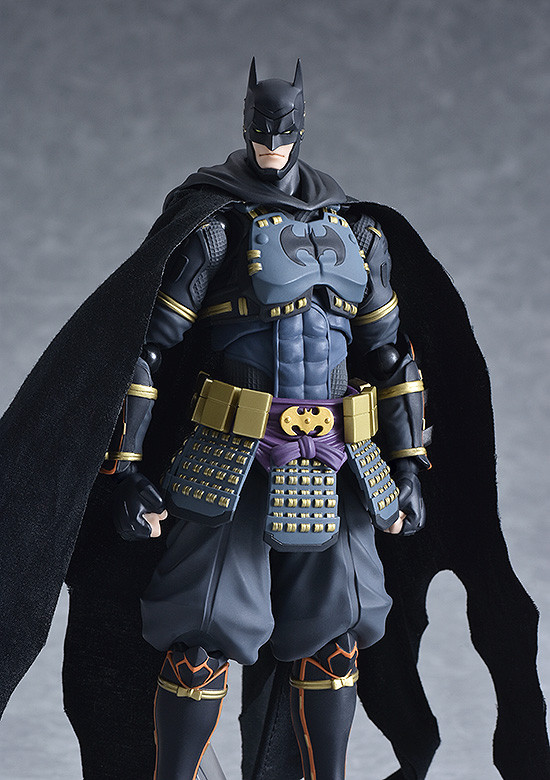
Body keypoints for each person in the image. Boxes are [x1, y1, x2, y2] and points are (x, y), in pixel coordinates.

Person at [103, 59, 429, 780]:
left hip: (339, 460)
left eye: (282, 132)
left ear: (301, 128)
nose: (271, 145)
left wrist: (408, 465)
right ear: (246, 126)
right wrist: (127, 469)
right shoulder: (216, 229)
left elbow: (391, 358)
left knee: (335, 640)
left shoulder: (358, 235)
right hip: (231, 459)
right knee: (199, 637)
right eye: (261, 131)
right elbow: (145, 350)